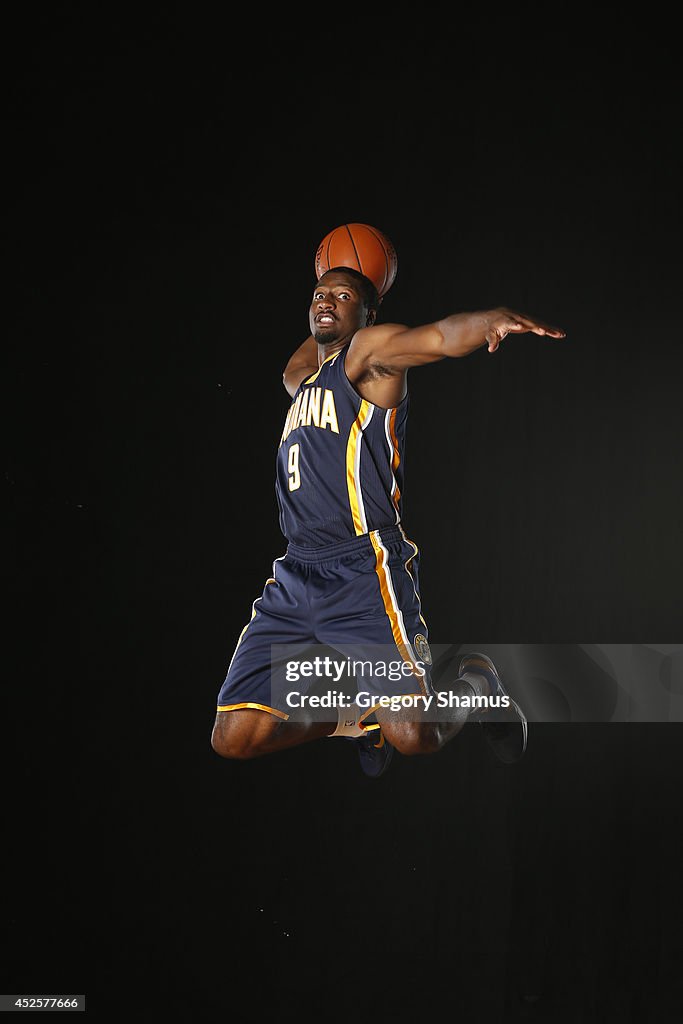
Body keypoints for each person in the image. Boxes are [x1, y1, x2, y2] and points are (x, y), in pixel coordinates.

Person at [211, 264, 565, 776]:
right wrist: (340, 291)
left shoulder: (371, 357)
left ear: (369, 315)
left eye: (342, 295)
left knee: (416, 737)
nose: (324, 300)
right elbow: (309, 347)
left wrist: (486, 321)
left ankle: (478, 681)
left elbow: (440, 336)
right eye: (318, 293)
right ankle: (355, 720)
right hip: (295, 575)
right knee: (235, 737)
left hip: (362, 569)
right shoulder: (301, 381)